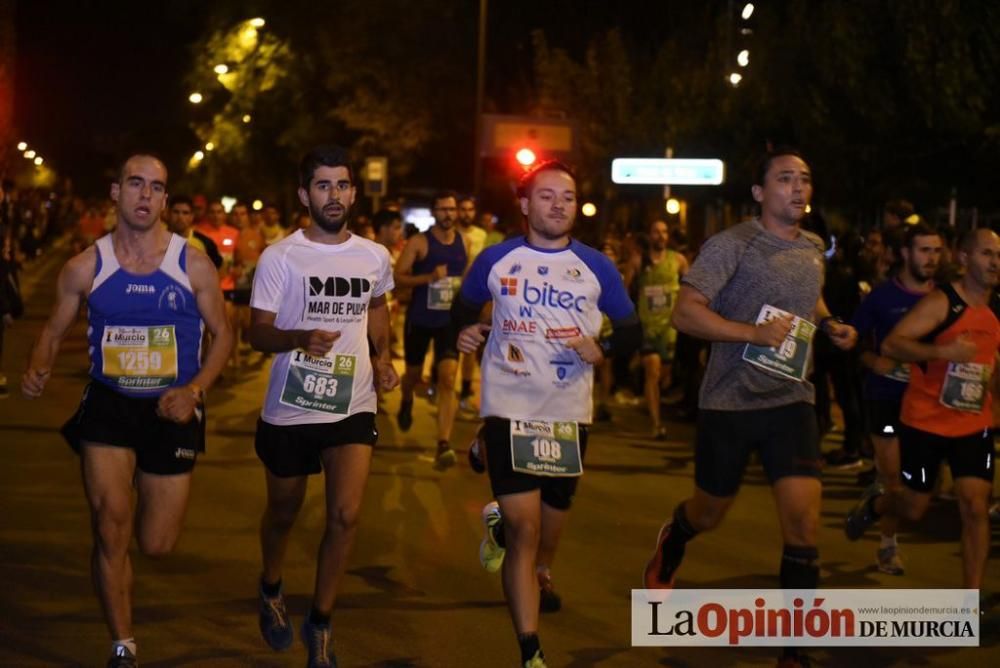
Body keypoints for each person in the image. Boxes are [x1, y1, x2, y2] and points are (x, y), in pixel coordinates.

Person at [642, 148, 857, 668]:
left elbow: (809, 300)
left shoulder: (811, 247)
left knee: (803, 525)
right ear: (760, 193)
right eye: (785, 179)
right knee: (710, 511)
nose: (798, 188)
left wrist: (829, 325)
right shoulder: (731, 245)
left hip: (791, 400)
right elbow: (685, 313)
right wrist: (752, 335)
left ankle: (794, 650)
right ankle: (679, 533)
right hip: (729, 402)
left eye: (804, 178)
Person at [21, 154, 231, 668]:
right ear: (115, 192)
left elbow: (225, 335)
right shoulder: (85, 266)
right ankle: (122, 643)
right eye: (135, 184)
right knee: (109, 522)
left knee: (156, 543)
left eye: (156, 187)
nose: (145, 195)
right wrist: (38, 367)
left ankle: (133, 557)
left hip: (172, 408)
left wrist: (196, 390)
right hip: (109, 406)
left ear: (164, 198)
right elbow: (53, 329)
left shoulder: (193, 264)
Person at [453, 160, 639, 668]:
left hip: (568, 415)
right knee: (526, 533)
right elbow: (462, 312)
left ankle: (524, 551)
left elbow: (632, 332)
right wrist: (465, 332)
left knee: (548, 536)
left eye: (568, 197)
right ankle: (530, 648)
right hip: (508, 408)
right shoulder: (496, 259)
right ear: (524, 203)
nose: (559, 205)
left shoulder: (597, 266)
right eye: (547, 196)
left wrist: (602, 347)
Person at [248, 146, 397, 668]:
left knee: (346, 514)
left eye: (342, 185)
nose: (334, 195)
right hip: (290, 408)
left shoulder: (375, 255)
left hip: (351, 403)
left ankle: (322, 623)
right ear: (304, 194)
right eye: (323, 186)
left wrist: (382, 357)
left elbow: (376, 307)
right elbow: (257, 332)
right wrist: (298, 337)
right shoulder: (280, 256)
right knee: (284, 511)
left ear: (354, 192)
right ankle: (270, 586)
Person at [845, 228, 999, 590]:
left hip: (973, 425)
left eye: (998, 255)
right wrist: (943, 353)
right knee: (914, 506)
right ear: (964, 259)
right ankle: (877, 507)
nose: (995, 262)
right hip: (925, 423)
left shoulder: (996, 307)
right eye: (986, 254)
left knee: (976, 507)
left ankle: (969, 601)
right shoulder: (942, 302)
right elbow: (894, 343)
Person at [847, 223, 942, 575]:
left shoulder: (946, 299)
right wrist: (875, 361)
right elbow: (854, 343)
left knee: (919, 489)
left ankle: (874, 507)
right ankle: (888, 547)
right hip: (885, 398)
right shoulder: (881, 298)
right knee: (894, 478)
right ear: (905, 253)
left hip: (929, 404)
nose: (931, 258)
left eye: (936, 251)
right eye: (924, 250)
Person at [394, 190, 468, 468]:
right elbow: (397, 277)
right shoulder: (420, 242)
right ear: (434, 212)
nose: (448, 214)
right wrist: (428, 277)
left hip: (449, 322)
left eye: (452, 209)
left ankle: (443, 444)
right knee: (412, 375)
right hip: (421, 320)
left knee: (448, 379)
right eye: (443, 209)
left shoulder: (464, 242)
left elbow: (467, 277)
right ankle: (406, 400)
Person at [637, 220, 689, 439]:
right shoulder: (638, 260)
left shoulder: (678, 261)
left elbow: (692, 291)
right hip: (647, 328)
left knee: (664, 378)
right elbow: (624, 291)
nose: (660, 235)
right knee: (653, 372)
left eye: (664, 231)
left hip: (671, 329)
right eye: (656, 232)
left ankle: (656, 400)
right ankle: (656, 424)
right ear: (649, 235)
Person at [457, 194, 488, 412]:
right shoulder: (453, 235)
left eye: (470, 209)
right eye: (463, 209)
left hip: (475, 294)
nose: (467, 213)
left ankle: (466, 390)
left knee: (471, 343)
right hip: (451, 293)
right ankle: (437, 382)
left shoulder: (481, 234)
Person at [166, 195, 222, 269]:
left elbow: (218, 268)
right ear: (168, 214)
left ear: (192, 216)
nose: (180, 217)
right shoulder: (155, 240)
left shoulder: (206, 243)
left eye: (185, 213)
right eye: (176, 212)